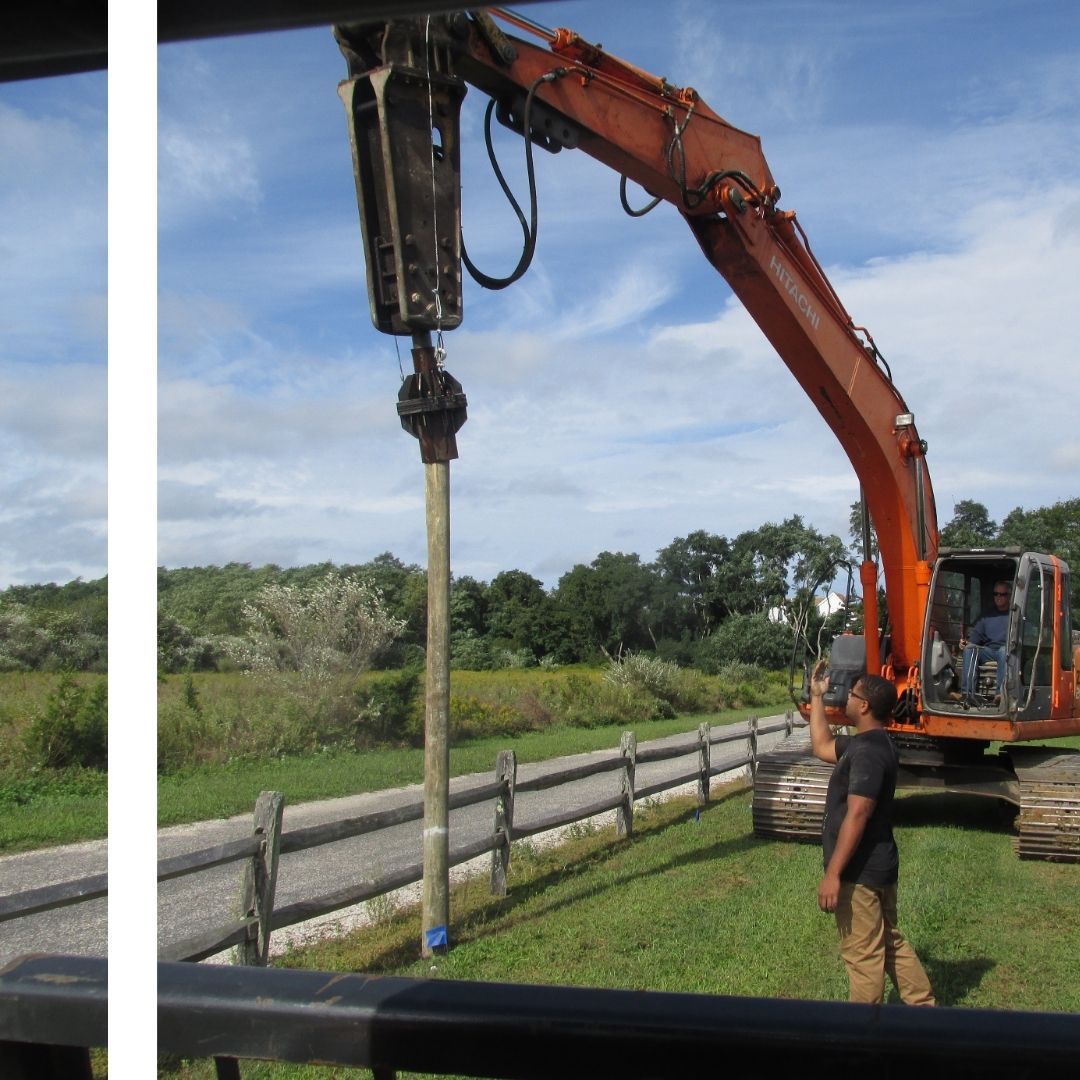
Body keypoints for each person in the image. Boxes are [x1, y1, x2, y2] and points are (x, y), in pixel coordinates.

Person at [808, 658, 936, 1006]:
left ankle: (864, 1035)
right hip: (880, 866)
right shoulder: (870, 744)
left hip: (860, 873)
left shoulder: (867, 753)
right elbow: (821, 746)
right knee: (890, 942)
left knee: (863, 956)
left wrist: (834, 873)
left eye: (851, 694)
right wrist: (816, 696)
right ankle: (924, 1010)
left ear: (863, 705)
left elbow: (859, 812)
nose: (845, 698)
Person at [959, 580, 1011, 696]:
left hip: (1008, 651)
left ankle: (1000, 694)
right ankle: (967, 693)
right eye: (995, 594)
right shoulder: (987, 615)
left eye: (1002, 594)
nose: (998, 597)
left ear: (1009, 596)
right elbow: (975, 638)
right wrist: (965, 643)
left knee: (1004, 651)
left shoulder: (1015, 615)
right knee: (970, 649)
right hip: (989, 651)